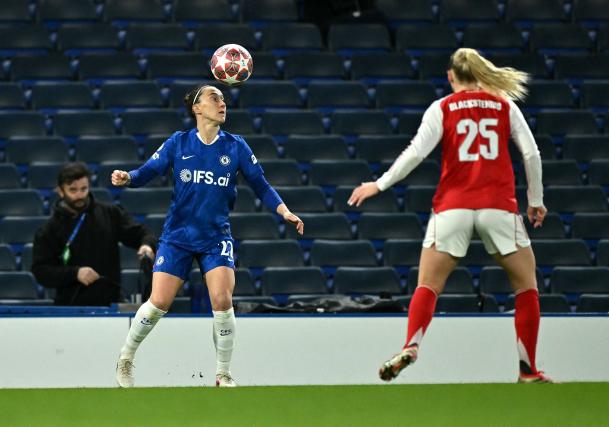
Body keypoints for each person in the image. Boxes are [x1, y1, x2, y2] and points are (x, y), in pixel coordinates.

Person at [349, 48, 551, 383]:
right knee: (526, 285)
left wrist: (379, 184)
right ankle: (527, 369)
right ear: (481, 74)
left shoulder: (441, 108)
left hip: (452, 207)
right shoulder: (504, 105)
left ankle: (411, 345)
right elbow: (531, 153)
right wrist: (536, 199)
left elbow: (416, 153)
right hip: (498, 206)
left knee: (428, 285)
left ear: (450, 77)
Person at [111, 84, 304, 388]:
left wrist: (284, 211)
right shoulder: (179, 143)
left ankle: (223, 374)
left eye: (224, 99)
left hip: (216, 237)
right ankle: (125, 357)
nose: (222, 103)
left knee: (222, 299)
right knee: (159, 301)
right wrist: (129, 178)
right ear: (197, 108)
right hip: (178, 236)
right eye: (214, 98)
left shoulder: (236, 146)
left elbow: (261, 185)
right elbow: (149, 170)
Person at [32, 162, 156, 306]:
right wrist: (75, 273)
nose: (79, 195)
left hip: (110, 302)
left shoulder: (110, 214)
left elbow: (142, 233)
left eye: (84, 189)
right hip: (70, 307)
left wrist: (147, 245)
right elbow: (41, 271)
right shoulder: (49, 229)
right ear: (60, 191)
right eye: (73, 190)